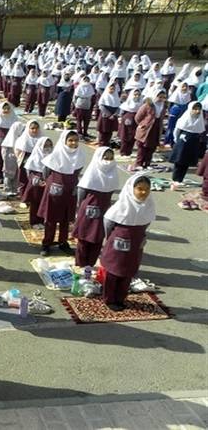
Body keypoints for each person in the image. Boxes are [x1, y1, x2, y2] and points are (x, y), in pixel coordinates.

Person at [100, 174, 155, 311]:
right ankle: (109, 299)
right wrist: (110, 238)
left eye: (147, 189)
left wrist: (141, 237)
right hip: (118, 243)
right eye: (140, 189)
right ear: (131, 189)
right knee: (113, 271)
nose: (144, 192)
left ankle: (120, 298)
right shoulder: (121, 206)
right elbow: (108, 223)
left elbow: (146, 222)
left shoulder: (148, 205)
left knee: (128, 271)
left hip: (136, 243)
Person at [38, 130, 86, 256]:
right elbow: (46, 172)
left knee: (66, 219)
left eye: (76, 140)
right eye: (70, 140)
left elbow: (78, 171)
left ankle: (63, 242)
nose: (73, 143)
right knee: (51, 218)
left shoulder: (80, 155)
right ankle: (47, 243)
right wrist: (52, 183)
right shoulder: (55, 155)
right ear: (64, 141)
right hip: (54, 191)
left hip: (70, 190)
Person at [73, 147, 119, 268]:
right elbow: (81, 193)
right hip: (88, 208)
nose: (108, 161)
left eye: (110, 158)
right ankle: (80, 264)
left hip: (104, 209)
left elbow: (111, 192)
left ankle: (90, 264)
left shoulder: (113, 173)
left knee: (98, 237)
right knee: (83, 237)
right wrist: (81, 208)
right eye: (105, 158)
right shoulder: (91, 173)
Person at [170, 102, 205, 190]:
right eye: (195, 109)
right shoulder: (184, 118)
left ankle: (180, 179)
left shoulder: (199, 120)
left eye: (199, 109)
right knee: (179, 161)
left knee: (187, 161)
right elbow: (177, 130)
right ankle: (175, 179)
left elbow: (201, 131)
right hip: (183, 141)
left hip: (193, 142)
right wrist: (176, 139)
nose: (197, 111)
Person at [22, 136, 53, 229]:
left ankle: (43, 220)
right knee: (35, 203)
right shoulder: (34, 157)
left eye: (49, 145)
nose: (47, 148)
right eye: (45, 146)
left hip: (48, 183)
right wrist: (37, 180)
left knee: (45, 203)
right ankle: (34, 221)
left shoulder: (53, 157)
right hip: (36, 184)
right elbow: (29, 173)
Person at [133, 91, 166, 170]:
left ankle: (147, 163)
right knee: (142, 147)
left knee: (152, 147)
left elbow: (161, 118)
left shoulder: (163, 106)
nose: (161, 99)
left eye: (163, 97)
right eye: (159, 97)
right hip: (146, 129)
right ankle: (139, 163)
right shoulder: (147, 105)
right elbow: (138, 117)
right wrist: (143, 124)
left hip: (156, 128)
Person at [0, 102, 18, 184]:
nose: (6, 110)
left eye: (8, 109)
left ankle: (7, 177)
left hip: (10, 142)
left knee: (8, 159)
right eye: (4, 109)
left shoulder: (14, 119)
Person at [0, 121, 25, 197]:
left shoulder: (22, 138)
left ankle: (14, 189)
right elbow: (3, 151)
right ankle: (7, 189)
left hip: (17, 159)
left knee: (16, 175)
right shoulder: (9, 139)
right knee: (8, 175)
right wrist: (5, 159)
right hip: (9, 160)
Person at [118, 89, 143, 157]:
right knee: (125, 137)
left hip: (136, 121)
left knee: (132, 137)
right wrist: (120, 118)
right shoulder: (127, 103)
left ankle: (129, 152)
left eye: (138, 95)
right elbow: (122, 112)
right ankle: (123, 152)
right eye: (135, 94)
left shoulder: (141, 103)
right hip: (126, 121)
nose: (137, 96)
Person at [96, 81, 120, 147]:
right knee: (103, 131)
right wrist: (109, 115)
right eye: (111, 89)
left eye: (113, 89)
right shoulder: (105, 96)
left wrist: (114, 115)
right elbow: (101, 106)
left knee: (110, 131)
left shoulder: (116, 97)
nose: (112, 90)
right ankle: (101, 144)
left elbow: (118, 107)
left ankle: (107, 144)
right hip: (105, 116)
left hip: (113, 116)